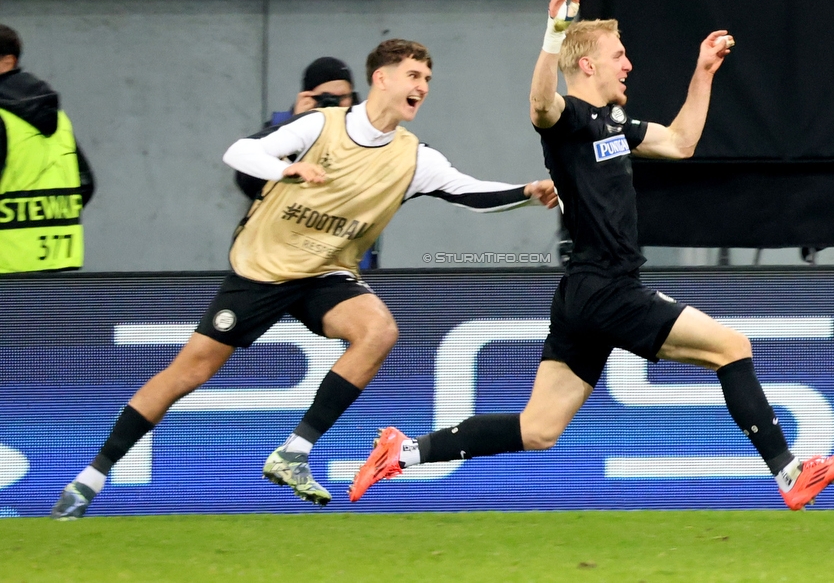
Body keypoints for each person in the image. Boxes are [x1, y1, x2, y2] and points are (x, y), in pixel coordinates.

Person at [350, 0, 834, 511]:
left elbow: (681, 142)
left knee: (539, 428)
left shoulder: (615, 124)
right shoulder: (567, 118)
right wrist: (553, 35)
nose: (629, 65)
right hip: (608, 287)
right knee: (731, 347)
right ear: (588, 64)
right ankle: (789, 472)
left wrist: (704, 72)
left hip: (582, 295)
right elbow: (539, 103)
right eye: (619, 55)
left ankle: (402, 453)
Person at [50, 38, 557, 519]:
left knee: (378, 331)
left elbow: (468, 191)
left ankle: (294, 452)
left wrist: (527, 190)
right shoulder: (321, 126)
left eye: (427, 77)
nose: (422, 85)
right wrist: (284, 170)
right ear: (381, 78)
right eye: (413, 75)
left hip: (326, 273)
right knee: (189, 373)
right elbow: (240, 154)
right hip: (263, 269)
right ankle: (89, 480)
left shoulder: (414, 157)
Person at [0, 23, 95, 273]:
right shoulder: (58, 116)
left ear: (7, 62)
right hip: (55, 262)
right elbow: (85, 183)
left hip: (5, 262)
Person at [235, 56, 359, 200]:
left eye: (343, 97)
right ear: (309, 97)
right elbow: (249, 183)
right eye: (327, 98)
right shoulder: (281, 126)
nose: (335, 105)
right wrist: (296, 123)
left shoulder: (367, 129)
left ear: (353, 97)